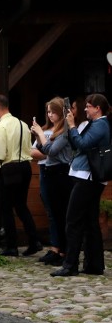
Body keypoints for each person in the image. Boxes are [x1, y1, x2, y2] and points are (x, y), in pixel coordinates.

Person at [51, 93, 110, 277]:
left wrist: (72, 126)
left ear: (97, 108)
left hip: (88, 177)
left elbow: (82, 144)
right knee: (89, 221)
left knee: (73, 220)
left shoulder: (101, 124)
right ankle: (94, 264)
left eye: (88, 106)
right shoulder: (97, 124)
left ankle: (71, 264)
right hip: (88, 177)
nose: (85, 109)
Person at [0, 94, 42, 256]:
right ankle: (34, 241)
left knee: (5, 207)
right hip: (25, 166)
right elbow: (28, 149)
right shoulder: (23, 124)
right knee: (21, 206)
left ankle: (11, 246)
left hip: (9, 167)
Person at [31, 98, 73, 266]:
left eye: (53, 112)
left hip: (61, 172)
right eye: (48, 112)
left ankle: (63, 250)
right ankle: (57, 249)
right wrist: (38, 135)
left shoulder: (66, 129)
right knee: (54, 213)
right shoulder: (53, 129)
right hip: (50, 171)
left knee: (61, 213)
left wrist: (41, 135)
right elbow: (39, 149)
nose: (50, 115)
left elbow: (53, 151)